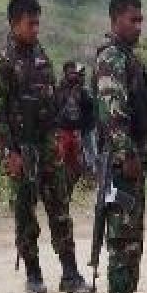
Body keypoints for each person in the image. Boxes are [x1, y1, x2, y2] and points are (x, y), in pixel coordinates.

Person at [0, 0, 91, 293]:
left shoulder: (41, 55)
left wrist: (57, 140)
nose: (36, 29)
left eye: (38, 23)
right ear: (14, 23)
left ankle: (70, 273)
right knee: (25, 212)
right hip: (20, 146)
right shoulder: (4, 61)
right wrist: (10, 152)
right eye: (30, 23)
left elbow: (49, 101)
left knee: (59, 208)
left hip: (47, 143)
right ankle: (33, 274)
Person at [95, 0, 147, 293]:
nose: (138, 26)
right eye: (132, 20)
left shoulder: (128, 59)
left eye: (140, 20)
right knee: (122, 238)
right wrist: (126, 155)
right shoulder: (111, 60)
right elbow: (111, 114)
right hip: (121, 165)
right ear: (116, 19)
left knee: (132, 237)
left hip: (132, 161)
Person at [54, 61, 96, 197]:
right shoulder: (60, 89)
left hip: (78, 131)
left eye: (75, 72)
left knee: (77, 164)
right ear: (65, 73)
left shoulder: (82, 90)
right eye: (70, 72)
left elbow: (90, 107)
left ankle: (73, 187)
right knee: (60, 162)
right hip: (63, 131)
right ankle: (61, 189)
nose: (73, 75)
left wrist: (81, 89)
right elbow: (56, 106)